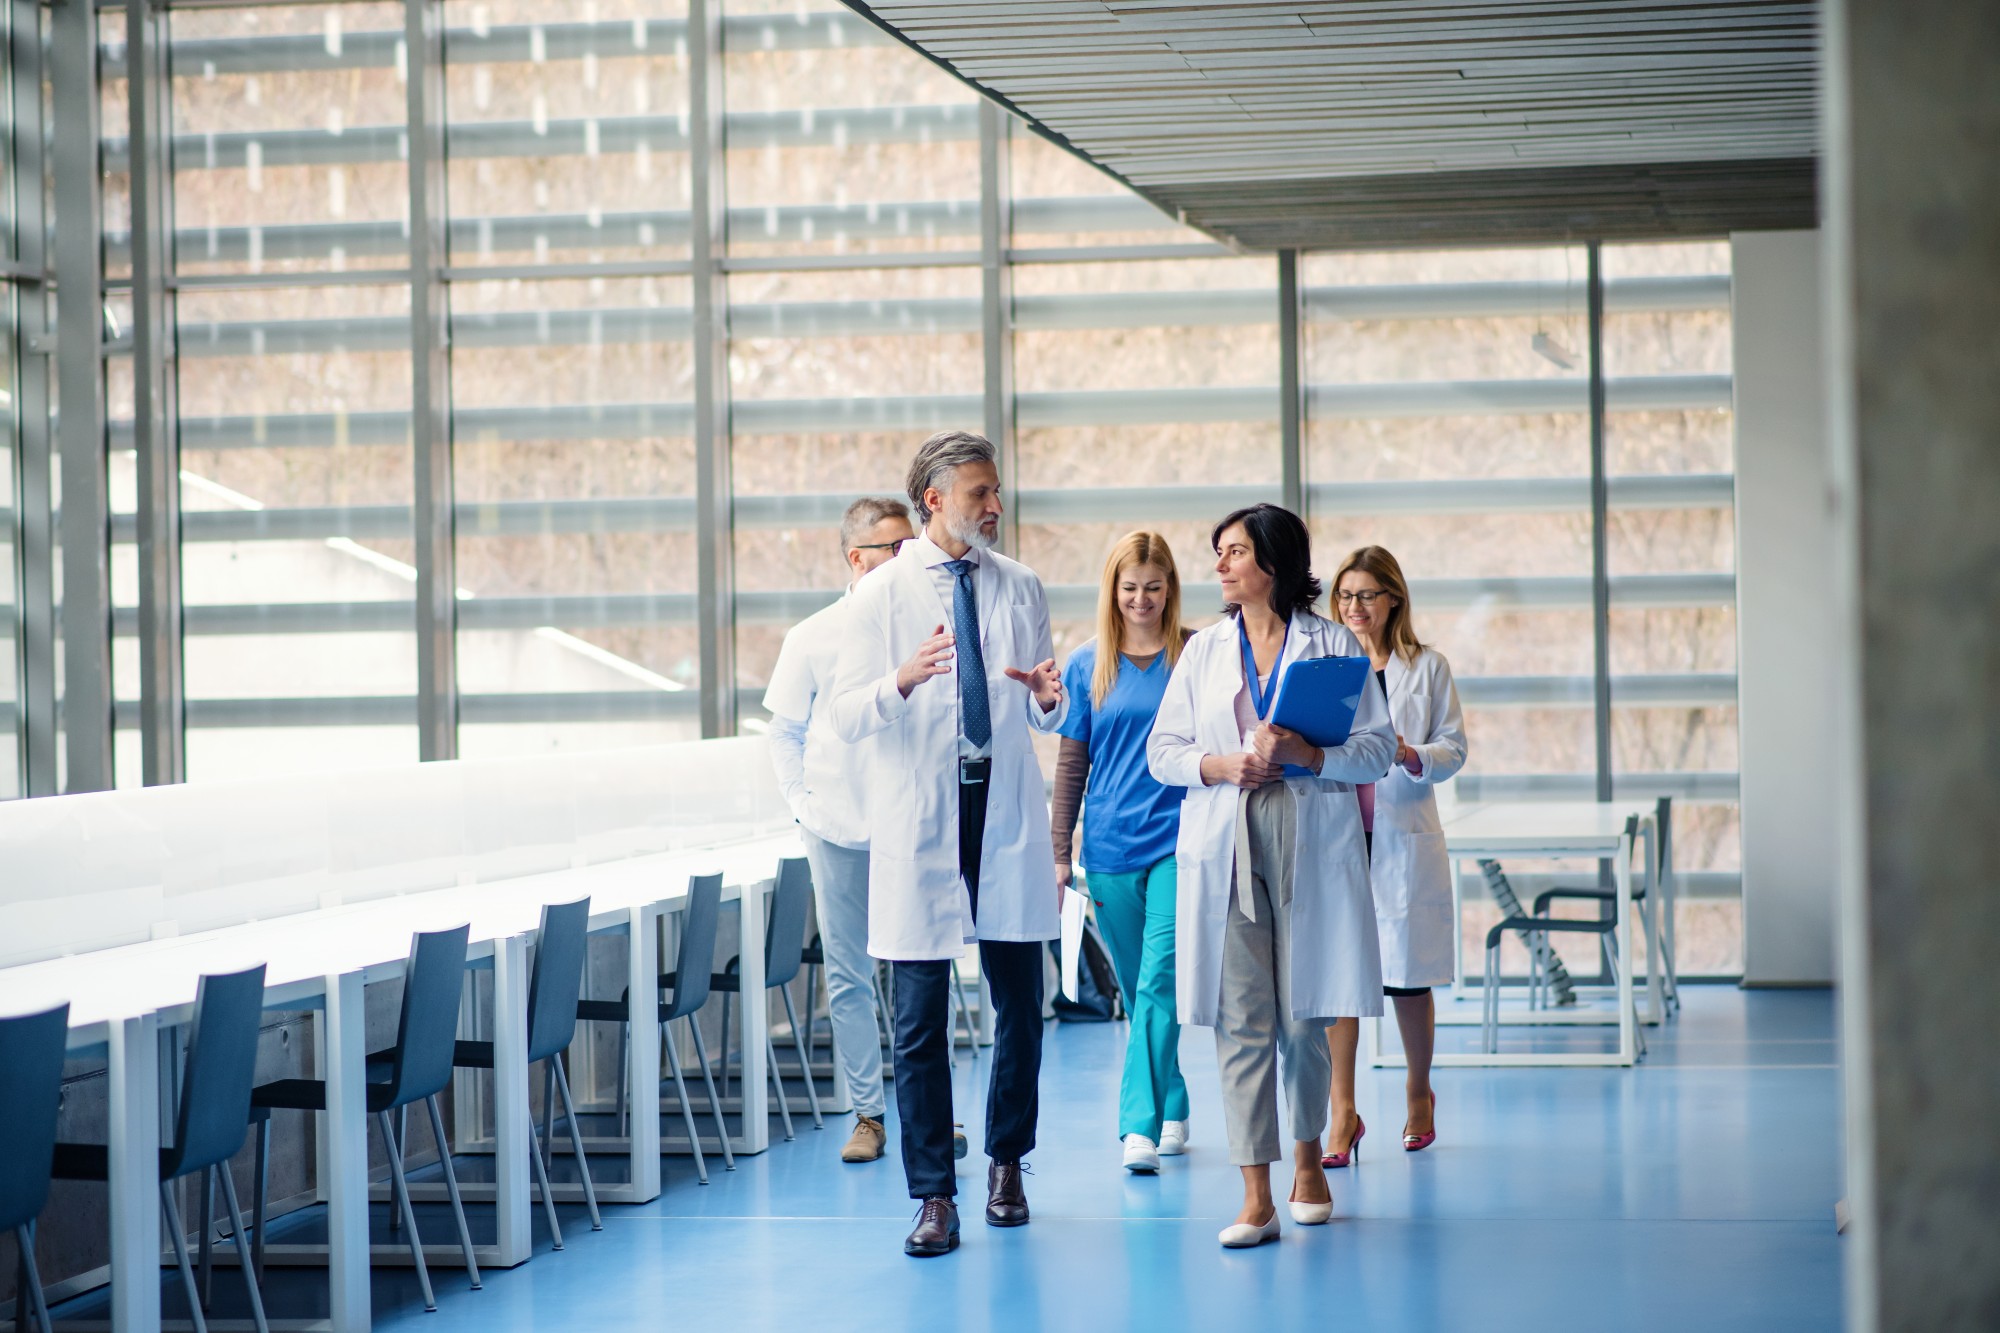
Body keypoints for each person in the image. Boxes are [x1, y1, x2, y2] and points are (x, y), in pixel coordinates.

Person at [828, 430, 1067, 1259]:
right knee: (919, 1024)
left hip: (999, 817)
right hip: (920, 822)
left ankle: (1007, 1162)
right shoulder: (880, 597)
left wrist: (1047, 697)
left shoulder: (1021, 585)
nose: (994, 506)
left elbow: (1044, 710)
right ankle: (933, 1193)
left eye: (995, 492)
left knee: (1022, 1012)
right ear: (934, 499)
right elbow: (844, 715)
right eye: (978, 494)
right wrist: (901, 678)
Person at [1147, 503, 1396, 1249]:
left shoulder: (1331, 647)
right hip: (1228, 829)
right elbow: (1164, 751)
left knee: (1303, 1015)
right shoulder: (1202, 652)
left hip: (1307, 824)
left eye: (1234, 552)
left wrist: (1310, 756)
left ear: (1274, 564)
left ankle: (1307, 1160)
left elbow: (1378, 750)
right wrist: (1220, 764)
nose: (1220, 566)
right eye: (1218, 552)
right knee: (1242, 1017)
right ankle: (1255, 1193)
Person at [762, 496, 917, 1165]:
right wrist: (802, 805)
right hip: (836, 827)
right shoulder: (812, 636)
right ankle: (868, 1115)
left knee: (917, 972)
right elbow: (784, 730)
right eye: (896, 549)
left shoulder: (922, 628)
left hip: (908, 824)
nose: (912, 560)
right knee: (851, 976)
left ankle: (926, 1108)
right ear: (859, 558)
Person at [1051, 533, 1194, 1175]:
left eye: (1153, 587)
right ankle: (1174, 1100)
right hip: (1108, 848)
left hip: (1180, 842)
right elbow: (1072, 760)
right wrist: (1061, 850)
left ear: (1171, 589)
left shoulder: (1194, 654)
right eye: (1129, 587)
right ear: (1113, 591)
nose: (1141, 599)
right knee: (1141, 994)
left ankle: (1136, 1125)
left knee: (1161, 979)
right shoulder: (1088, 663)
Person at [1322, 546, 1467, 1163]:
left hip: (1401, 830)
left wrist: (1415, 757)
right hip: (1339, 834)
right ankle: (1342, 1112)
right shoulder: (1325, 665)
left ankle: (1417, 1092)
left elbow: (1454, 747)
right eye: (1346, 596)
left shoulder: (1426, 667)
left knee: (1406, 980)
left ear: (1393, 600)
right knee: (1341, 979)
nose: (1355, 607)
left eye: (1368, 596)